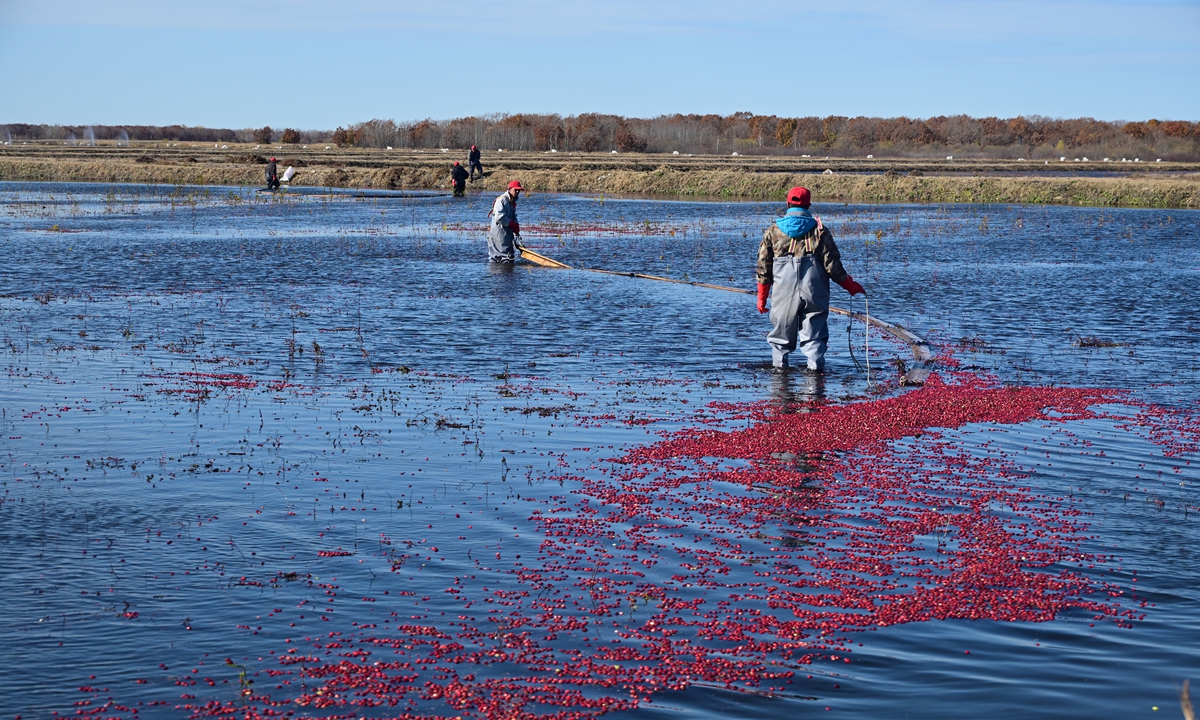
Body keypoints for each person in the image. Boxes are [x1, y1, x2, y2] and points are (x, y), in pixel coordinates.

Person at [756, 186, 864, 371]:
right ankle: (815, 387)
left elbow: (764, 268)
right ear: (809, 205)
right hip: (814, 291)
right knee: (814, 338)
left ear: (787, 203)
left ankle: (781, 388)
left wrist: (762, 298)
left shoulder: (773, 232)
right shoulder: (820, 231)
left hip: (783, 293)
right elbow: (833, 267)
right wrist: (850, 285)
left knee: (780, 339)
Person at [487, 180, 523, 262]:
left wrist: (516, 225)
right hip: (498, 234)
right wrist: (511, 224)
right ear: (510, 189)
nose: (517, 192)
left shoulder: (511, 201)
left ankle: (506, 274)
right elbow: (499, 217)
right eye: (515, 190)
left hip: (505, 235)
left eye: (519, 190)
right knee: (501, 259)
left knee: (507, 259)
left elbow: (513, 216)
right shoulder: (501, 200)